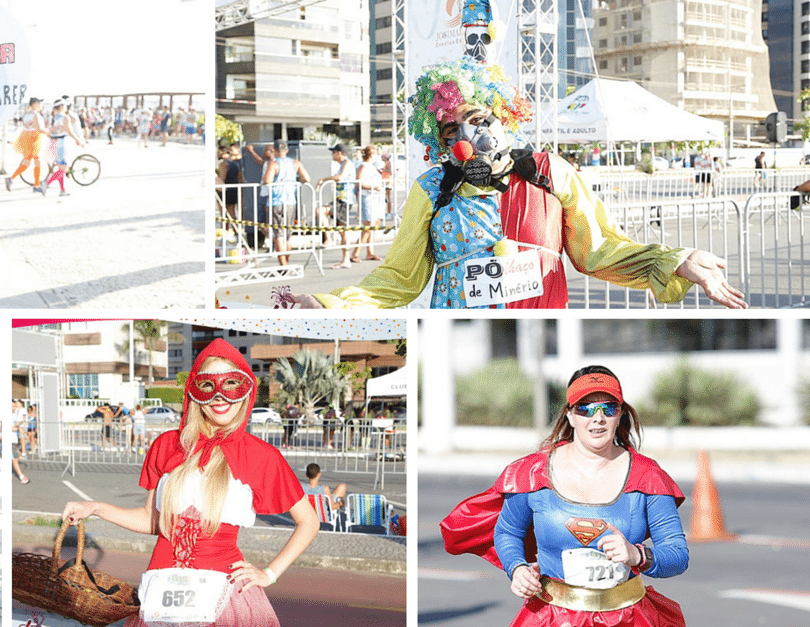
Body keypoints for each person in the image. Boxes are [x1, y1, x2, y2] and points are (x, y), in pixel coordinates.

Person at [294, 57, 746, 309]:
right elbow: (398, 279)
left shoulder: (552, 173)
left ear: (502, 116)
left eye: (476, 119)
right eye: (451, 130)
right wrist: (330, 305)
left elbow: (600, 250)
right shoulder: (432, 189)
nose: (467, 136)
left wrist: (677, 259)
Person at [62, 339, 317, 627]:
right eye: (208, 386)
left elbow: (309, 521)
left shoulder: (261, 456)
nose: (220, 397)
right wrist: (95, 507)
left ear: (246, 391)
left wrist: (269, 574)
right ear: (194, 392)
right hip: (163, 593)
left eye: (230, 384)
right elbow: (153, 521)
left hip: (224, 598)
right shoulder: (167, 445)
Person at [440, 365, 688, 626]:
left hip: (627, 616)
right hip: (553, 615)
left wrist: (638, 555)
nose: (598, 417)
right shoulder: (533, 472)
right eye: (585, 408)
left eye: (608, 407)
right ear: (569, 415)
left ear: (620, 414)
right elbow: (507, 532)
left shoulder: (648, 475)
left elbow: (677, 554)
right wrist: (517, 569)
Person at [262, 140, 311, 266]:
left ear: (275, 150)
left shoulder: (273, 163)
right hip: (290, 201)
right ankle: (286, 263)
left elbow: (267, 180)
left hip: (276, 201)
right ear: (287, 150)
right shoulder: (295, 163)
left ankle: (283, 266)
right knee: (288, 235)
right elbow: (307, 178)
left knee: (278, 234)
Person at [317, 143, 358, 269]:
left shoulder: (346, 164)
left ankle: (329, 238)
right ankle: (345, 260)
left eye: (333, 152)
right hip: (341, 199)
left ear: (339, 153)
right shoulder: (343, 164)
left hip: (344, 200)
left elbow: (340, 177)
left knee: (321, 211)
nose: (332, 155)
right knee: (342, 231)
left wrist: (324, 179)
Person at [42, 98, 85, 197]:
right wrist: (79, 140)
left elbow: (51, 131)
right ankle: (46, 183)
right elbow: (70, 131)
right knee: (63, 169)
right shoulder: (65, 117)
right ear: (61, 106)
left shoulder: (54, 118)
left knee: (61, 167)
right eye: (65, 105)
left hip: (54, 143)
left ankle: (62, 190)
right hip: (62, 143)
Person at [7, 97, 47, 193]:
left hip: (25, 138)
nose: (40, 105)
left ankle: (11, 178)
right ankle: (36, 185)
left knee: (27, 162)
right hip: (35, 139)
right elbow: (38, 129)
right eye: (39, 103)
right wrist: (48, 132)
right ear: (34, 104)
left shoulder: (26, 114)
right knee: (37, 162)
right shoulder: (35, 115)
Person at [356, 145, 386, 263]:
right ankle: (356, 252)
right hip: (367, 197)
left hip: (375, 198)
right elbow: (359, 183)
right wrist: (373, 187)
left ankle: (370, 252)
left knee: (375, 224)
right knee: (368, 226)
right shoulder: (363, 166)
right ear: (371, 155)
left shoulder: (371, 167)